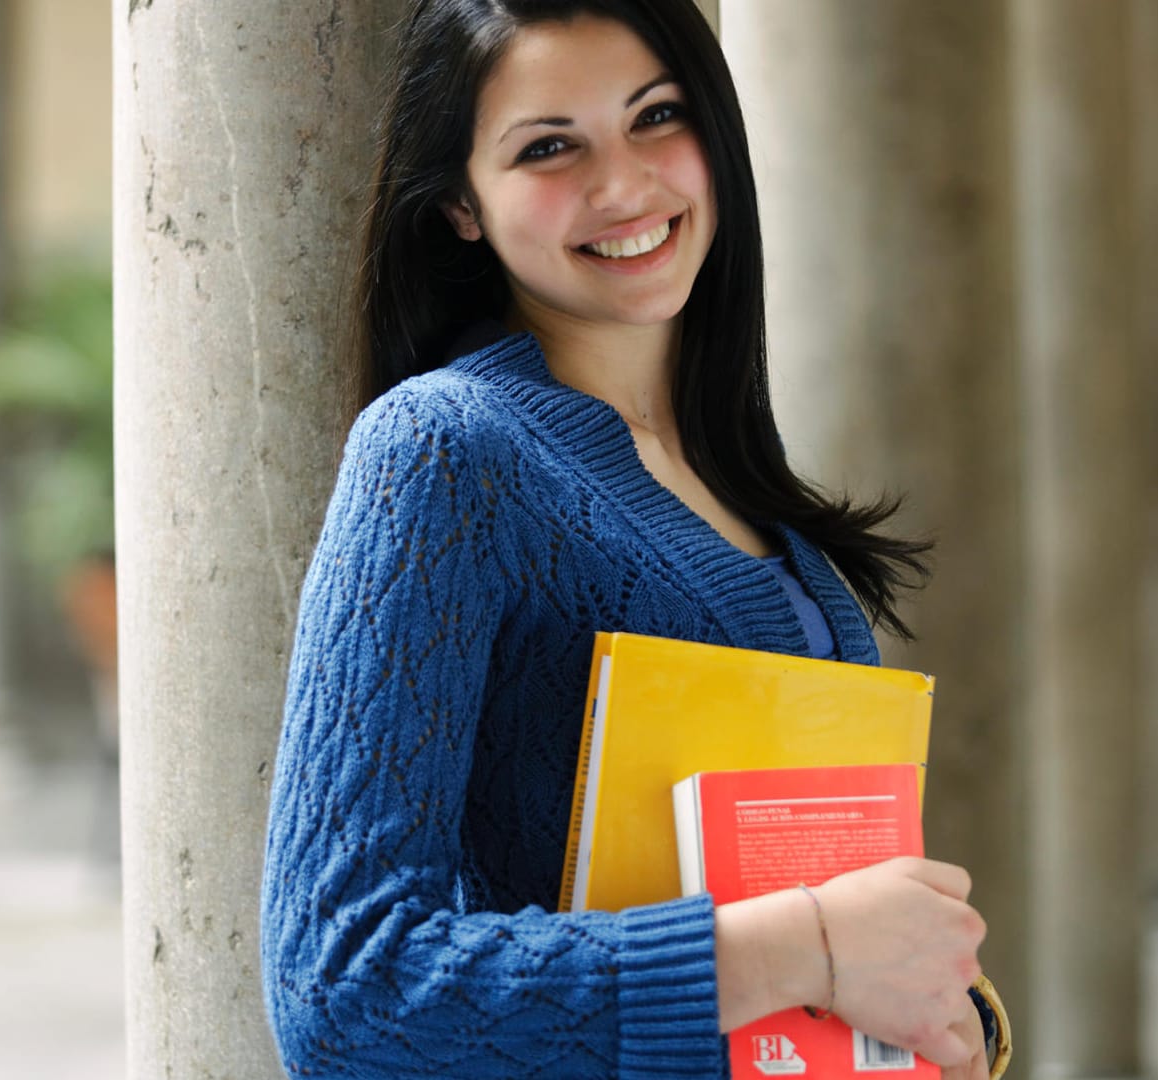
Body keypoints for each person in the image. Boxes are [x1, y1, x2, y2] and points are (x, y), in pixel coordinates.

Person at [261, 1, 999, 1076]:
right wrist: (811, 946)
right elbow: (341, 985)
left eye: (657, 116)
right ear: (464, 204)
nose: (625, 186)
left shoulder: (735, 474)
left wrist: (959, 1016)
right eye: (550, 146)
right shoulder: (443, 451)